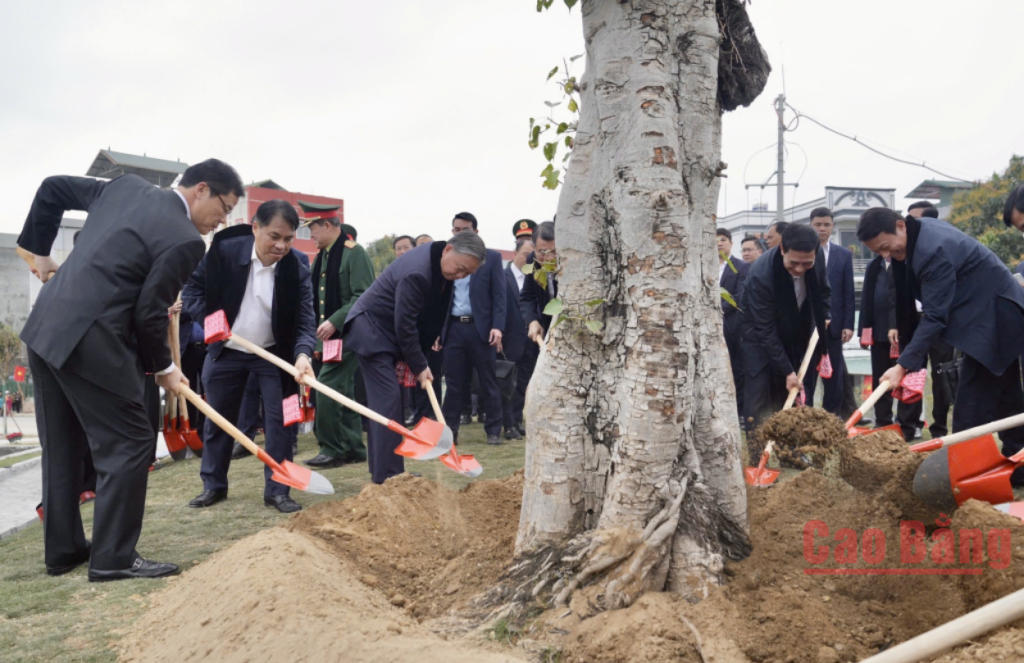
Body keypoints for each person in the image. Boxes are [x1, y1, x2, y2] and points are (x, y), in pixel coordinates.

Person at [17, 158, 243, 580]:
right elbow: (149, 312)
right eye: (225, 208)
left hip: (45, 329)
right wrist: (164, 367)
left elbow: (51, 188)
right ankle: (113, 558)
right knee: (133, 438)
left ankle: (63, 551)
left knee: (63, 445)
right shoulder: (186, 241)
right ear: (201, 190)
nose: (223, 220)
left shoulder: (124, 187)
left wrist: (40, 252)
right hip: (92, 340)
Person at [859, 206, 1024, 472]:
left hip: (995, 319)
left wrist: (902, 366)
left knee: (970, 409)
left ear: (900, 226)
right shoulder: (916, 235)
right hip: (987, 317)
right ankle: (1019, 465)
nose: (886, 256)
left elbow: (935, 316)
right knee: (1009, 399)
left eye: (887, 247)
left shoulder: (932, 250)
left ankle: (965, 475)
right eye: (878, 252)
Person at [182, 200, 316, 514]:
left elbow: (306, 319)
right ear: (255, 227)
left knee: (283, 422)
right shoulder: (224, 251)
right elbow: (191, 290)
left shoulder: (297, 265)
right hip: (226, 351)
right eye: (274, 237)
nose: (281, 245)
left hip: (274, 355)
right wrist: (213, 325)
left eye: (288, 239)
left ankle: (278, 490)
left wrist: (302, 354)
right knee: (218, 420)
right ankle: (213, 485)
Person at [344, 231, 487, 484]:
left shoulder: (442, 266)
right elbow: (405, 326)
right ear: (448, 249)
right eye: (461, 268)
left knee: (391, 402)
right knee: (387, 402)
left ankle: (386, 469)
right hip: (371, 330)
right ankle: (388, 475)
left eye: (468, 273)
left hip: (388, 334)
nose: (461, 275)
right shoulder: (417, 273)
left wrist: (425, 353)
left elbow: (437, 310)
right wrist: (420, 365)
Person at [300, 204, 375, 469]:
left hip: (348, 334)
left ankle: (332, 448)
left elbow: (363, 295)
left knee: (327, 389)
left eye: (313, 229)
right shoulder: (323, 256)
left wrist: (335, 320)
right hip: (327, 338)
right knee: (343, 392)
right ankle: (353, 447)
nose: (311, 236)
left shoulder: (354, 254)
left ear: (328, 226)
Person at [739, 223, 831, 437]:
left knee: (791, 392)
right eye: (793, 263)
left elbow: (824, 291)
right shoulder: (761, 274)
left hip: (794, 330)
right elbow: (765, 329)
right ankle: (757, 453)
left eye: (806, 263)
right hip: (757, 336)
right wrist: (786, 371)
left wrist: (824, 315)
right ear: (782, 249)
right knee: (759, 393)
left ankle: (789, 450)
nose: (799, 269)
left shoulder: (815, 260)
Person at [440, 213, 507, 446]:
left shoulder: (492, 259)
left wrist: (497, 327)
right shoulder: (446, 258)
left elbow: (499, 296)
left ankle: (494, 430)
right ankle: (450, 433)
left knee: (489, 381)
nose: (460, 233)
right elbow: (439, 300)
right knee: (455, 384)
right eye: (456, 229)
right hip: (454, 330)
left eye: (465, 229)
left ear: (476, 233)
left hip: (482, 330)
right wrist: (439, 331)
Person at [904, 200, 952, 438]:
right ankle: (909, 423)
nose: (907, 225)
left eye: (913, 220)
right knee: (912, 372)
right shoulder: (905, 253)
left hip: (939, 323)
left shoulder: (938, 250)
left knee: (941, 375)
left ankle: (940, 426)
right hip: (914, 321)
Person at [858, 255, 919, 440]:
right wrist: (864, 330)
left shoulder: (907, 262)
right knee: (880, 377)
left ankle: (907, 424)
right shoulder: (873, 265)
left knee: (907, 378)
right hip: (878, 331)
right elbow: (866, 298)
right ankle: (882, 421)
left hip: (904, 332)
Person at [802, 208, 854, 416]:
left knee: (834, 375)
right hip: (808, 325)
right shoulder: (803, 252)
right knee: (807, 373)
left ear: (832, 226)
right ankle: (806, 414)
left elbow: (848, 291)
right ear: (811, 225)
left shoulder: (844, 255)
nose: (822, 229)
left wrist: (848, 324)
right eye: (818, 224)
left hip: (834, 326)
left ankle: (832, 416)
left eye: (826, 225)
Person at [503, 220, 538, 438]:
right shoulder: (502, 277)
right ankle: (508, 425)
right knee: (508, 386)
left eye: (531, 254)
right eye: (525, 254)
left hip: (530, 341)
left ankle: (517, 421)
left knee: (523, 384)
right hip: (509, 340)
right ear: (515, 254)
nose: (529, 258)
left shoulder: (535, 277)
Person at [717, 228, 748, 424]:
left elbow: (739, 296)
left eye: (723, 240)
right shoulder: (704, 265)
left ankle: (739, 411)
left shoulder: (741, 267)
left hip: (732, 325)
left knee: (736, 368)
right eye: (715, 240)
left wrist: (716, 311)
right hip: (708, 328)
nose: (719, 243)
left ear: (730, 243)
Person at [521, 221, 559, 344]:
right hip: (548, 329)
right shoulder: (532, 260)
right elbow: (527, 297)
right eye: (542, 252)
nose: (549, 258)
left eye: (554, 251)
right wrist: (532, 320)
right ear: (533, 247)